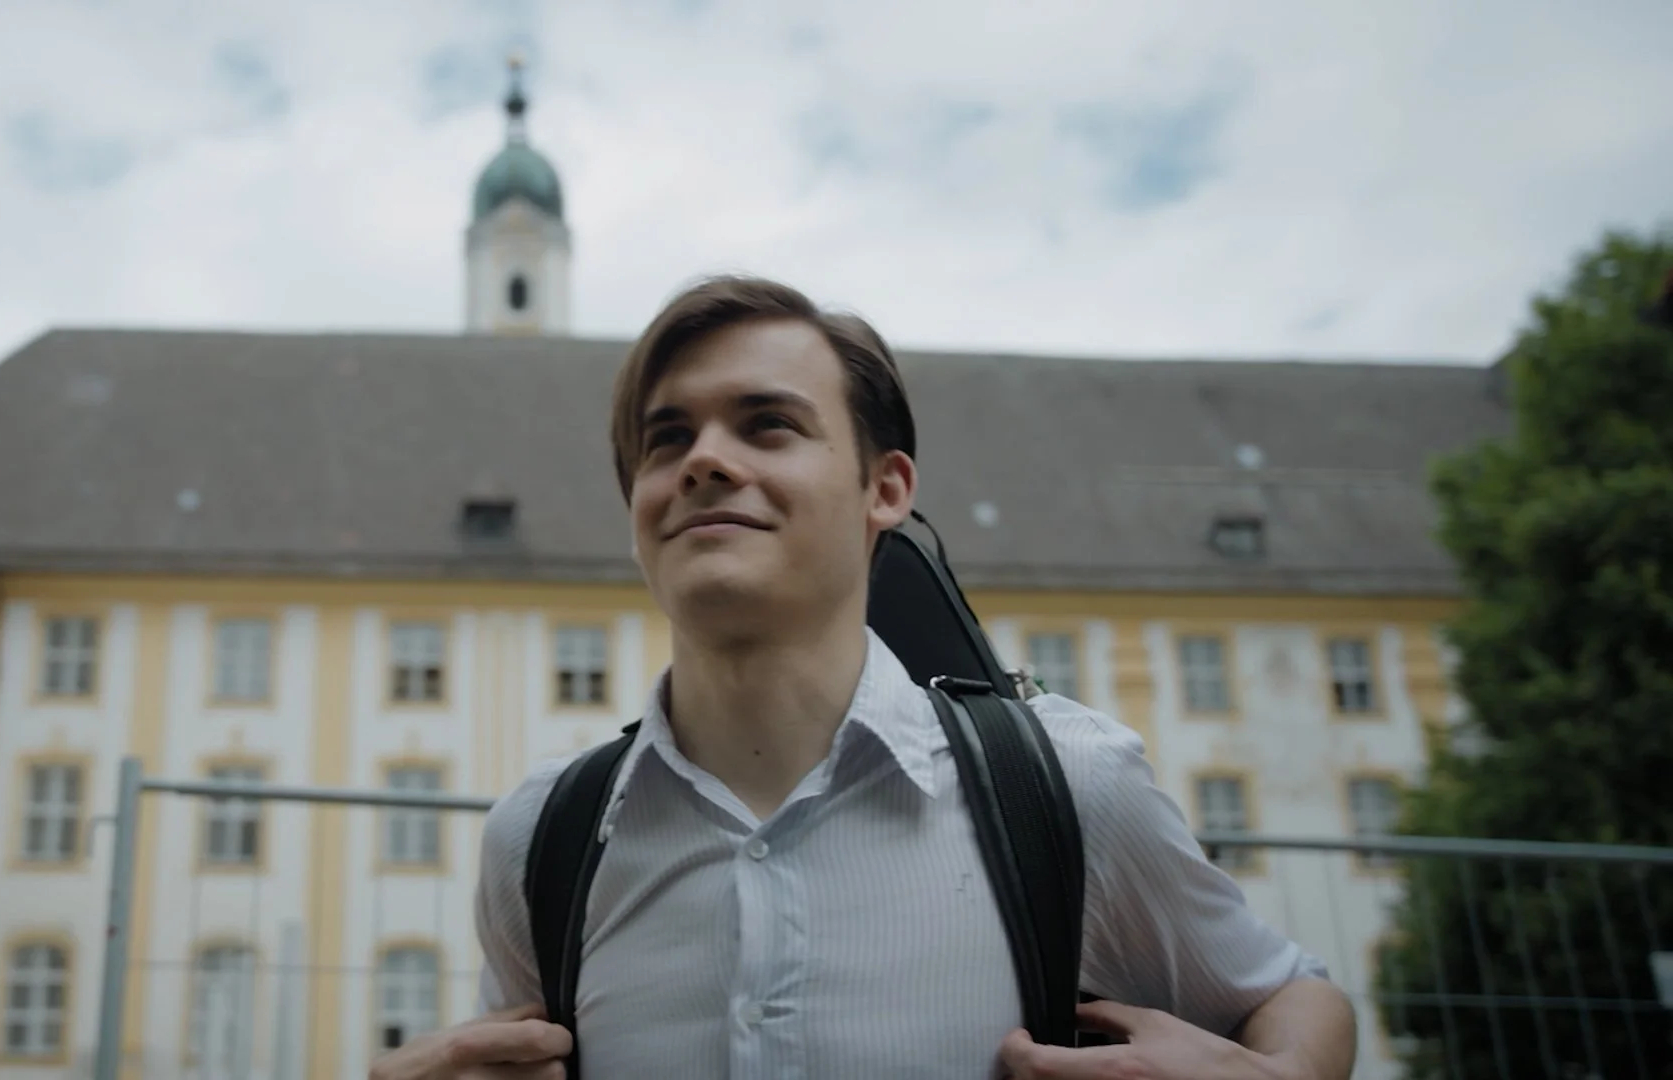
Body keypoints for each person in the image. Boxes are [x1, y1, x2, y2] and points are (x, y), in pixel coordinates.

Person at [370, 275, 1358, 1080]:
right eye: (667, 438)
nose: (704, 459)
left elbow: (1292, 995)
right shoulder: (539, 840)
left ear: (885, 489)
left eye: (767, 425)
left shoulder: (1066, 785)